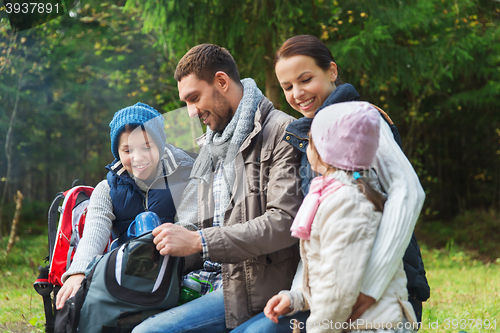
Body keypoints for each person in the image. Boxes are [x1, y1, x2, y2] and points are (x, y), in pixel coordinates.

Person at [231, 35, 428, 332]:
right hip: (335, 297)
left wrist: (371, 287)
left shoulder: (361, 123)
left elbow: (408, 193)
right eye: (287, 87)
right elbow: (318, 239)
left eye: (305, 79)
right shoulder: (310, 137)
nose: (297, 93)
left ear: (332, 71)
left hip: (383, 298)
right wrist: (296, 294)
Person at [131, 44, 303, 333]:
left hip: (254, 287)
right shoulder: (213, 146)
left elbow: (283, 223)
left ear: (222, 82)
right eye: (185, 102)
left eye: (194, 98)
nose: (190, 112)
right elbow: (194, 223)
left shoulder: (283, 133)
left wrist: (200, 241)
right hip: (208, 280)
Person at [265, 101, 418, 333]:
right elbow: (326, 268)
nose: (307, 148)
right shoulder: (332, 194)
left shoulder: (347, 203)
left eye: (311, 141)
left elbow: (337, 290)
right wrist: (296, 298)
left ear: (325, 150)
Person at [55, 102, 195, 310]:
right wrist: (78, 272)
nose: (138, 158)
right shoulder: (107, 189)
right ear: (117, 152)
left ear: (160, 145)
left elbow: (190, 230)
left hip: (177, 274)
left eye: (147, 147)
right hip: (126, 275)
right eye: (127, 150)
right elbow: (94, 232)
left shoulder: (187, 177)